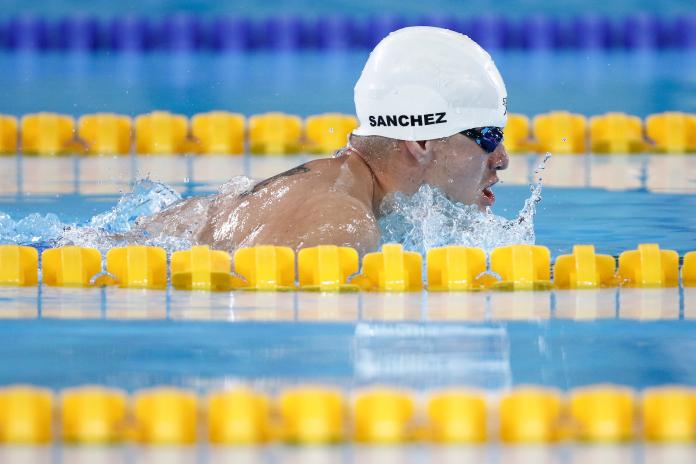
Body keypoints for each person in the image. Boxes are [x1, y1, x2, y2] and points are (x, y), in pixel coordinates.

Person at [135, 26, 510, 255]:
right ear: (421, 141)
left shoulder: (332, 187)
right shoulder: (340, 229)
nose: (503, 158)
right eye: (489, 137)